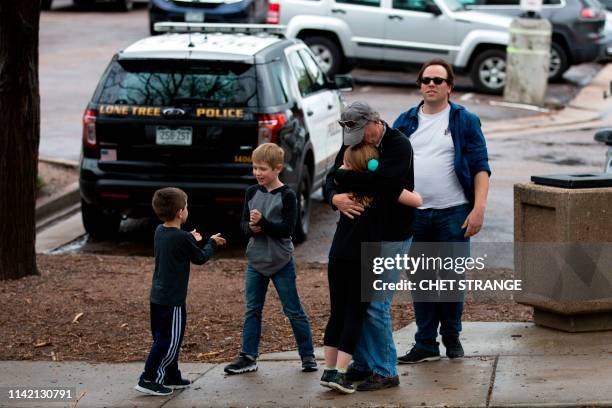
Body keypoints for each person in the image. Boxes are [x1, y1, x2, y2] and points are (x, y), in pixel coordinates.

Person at [393, 58, 490, 364]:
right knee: (421, 282)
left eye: (438, 80)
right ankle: (425, 343)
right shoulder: (405, 121)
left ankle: (451, 336)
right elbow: (389, 166)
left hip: (454, 213)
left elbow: (480, 166)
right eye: (426, 80)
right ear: (420, 85)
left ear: (450, 86)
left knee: (450, 282)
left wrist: (479, 208)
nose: (431, 85)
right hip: (415, 216)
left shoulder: (464, 120)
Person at [324, 101, 415, 391]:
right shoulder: (354, 141)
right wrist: (333, 198)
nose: (359, 142)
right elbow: (330, 178)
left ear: (374, 122)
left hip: (392, 236)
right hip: (360, 237)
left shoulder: (399, 145)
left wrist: (343, 176)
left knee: (375, 305)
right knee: (355, 305)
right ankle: (362, 363)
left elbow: (385, 184)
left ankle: (386, 370)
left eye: (362, 134)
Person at [224, 143, 317, 375]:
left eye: (263, 169)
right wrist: (251, 228)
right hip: (256, 260)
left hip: (281, 261)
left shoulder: (288, 195)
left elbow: (288, 229)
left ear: (277, 169)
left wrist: (263, 223)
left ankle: (307, 355)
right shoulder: (251, 192)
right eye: (255, 168)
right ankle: (248, 356)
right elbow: (243, 225)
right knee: (252, 309)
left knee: (293, 309)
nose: (257, 173)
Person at [135, 187, 226, 396]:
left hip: (157, 297)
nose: (187, 210)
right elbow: (200, 258)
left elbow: (177, 246)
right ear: (180, 212)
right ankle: (148, 378)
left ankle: (171, 374)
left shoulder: (161, 231)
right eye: (186, 206)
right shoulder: (181, 238)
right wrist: (211, 242)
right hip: (172, 299)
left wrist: (189, 238)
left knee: (165, 337)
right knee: (168, 339)